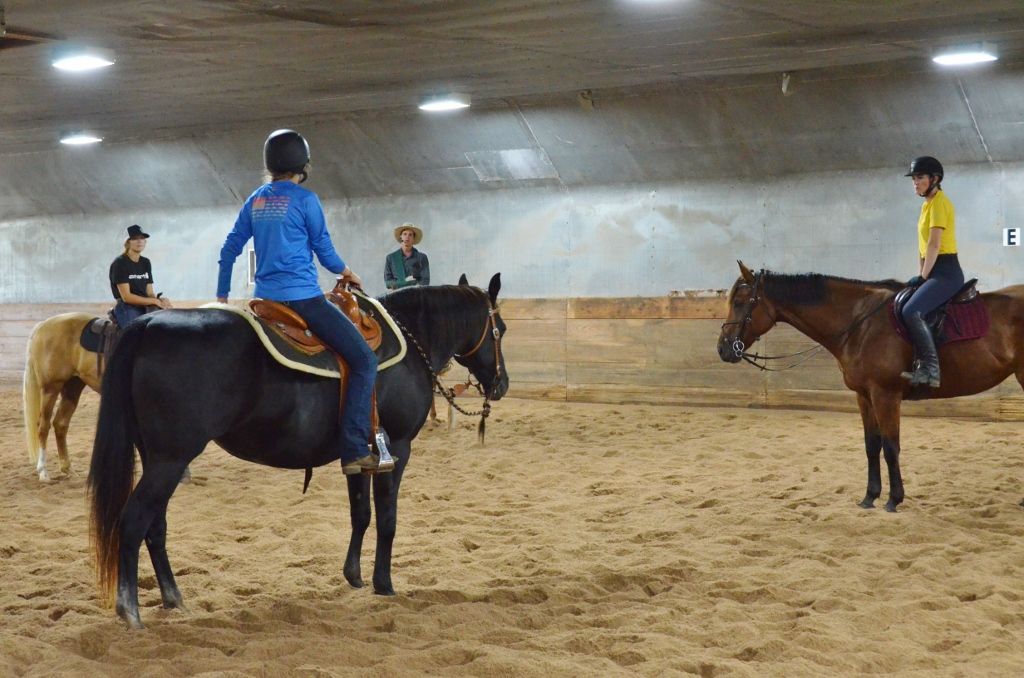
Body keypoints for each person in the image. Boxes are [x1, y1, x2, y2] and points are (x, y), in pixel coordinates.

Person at [216, 129, 390, 476]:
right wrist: (348, 271)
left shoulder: (256, 200)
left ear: (270, 164)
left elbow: (229, 248)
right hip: (303, 301)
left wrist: (221, 294)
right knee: (364, 361)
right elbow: (324, 251)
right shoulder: (306, 200)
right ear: (303, 164)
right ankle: (355, 449)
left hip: (264, 303)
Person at [899, 155, 964, 388]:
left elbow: (934, 244)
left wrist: (924, 276)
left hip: (946, 272)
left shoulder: (940, 203)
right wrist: (921, 275)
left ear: (934, 179)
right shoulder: (926, 205)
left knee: (911, 311)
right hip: (933, 269)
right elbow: (923, 247)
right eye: (914, 179)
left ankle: (931, 370)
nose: (915, 183)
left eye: (920, 178)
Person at [109, 224, 172, 327]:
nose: (139, 241)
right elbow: (126, 297)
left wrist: (161, 301)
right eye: (134, 238)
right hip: (127, 307)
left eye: (142, 238)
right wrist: (154, 301)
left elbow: (150, 292)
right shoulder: (120, 263)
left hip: (145, 305)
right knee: (135, 334)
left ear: (145, 242)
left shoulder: (145, 262)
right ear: (127, 243)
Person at [384, 223, 430, 290]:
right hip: (397, 296)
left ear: (413, 238)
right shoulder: (391, 258)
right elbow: (388, 283)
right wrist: (409, 283)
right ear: (401, 236)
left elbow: (425, 281)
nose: (407, 237)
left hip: (417, 296)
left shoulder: (422, 257)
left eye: (410, 235)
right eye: (404, 234)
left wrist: (399, 284)